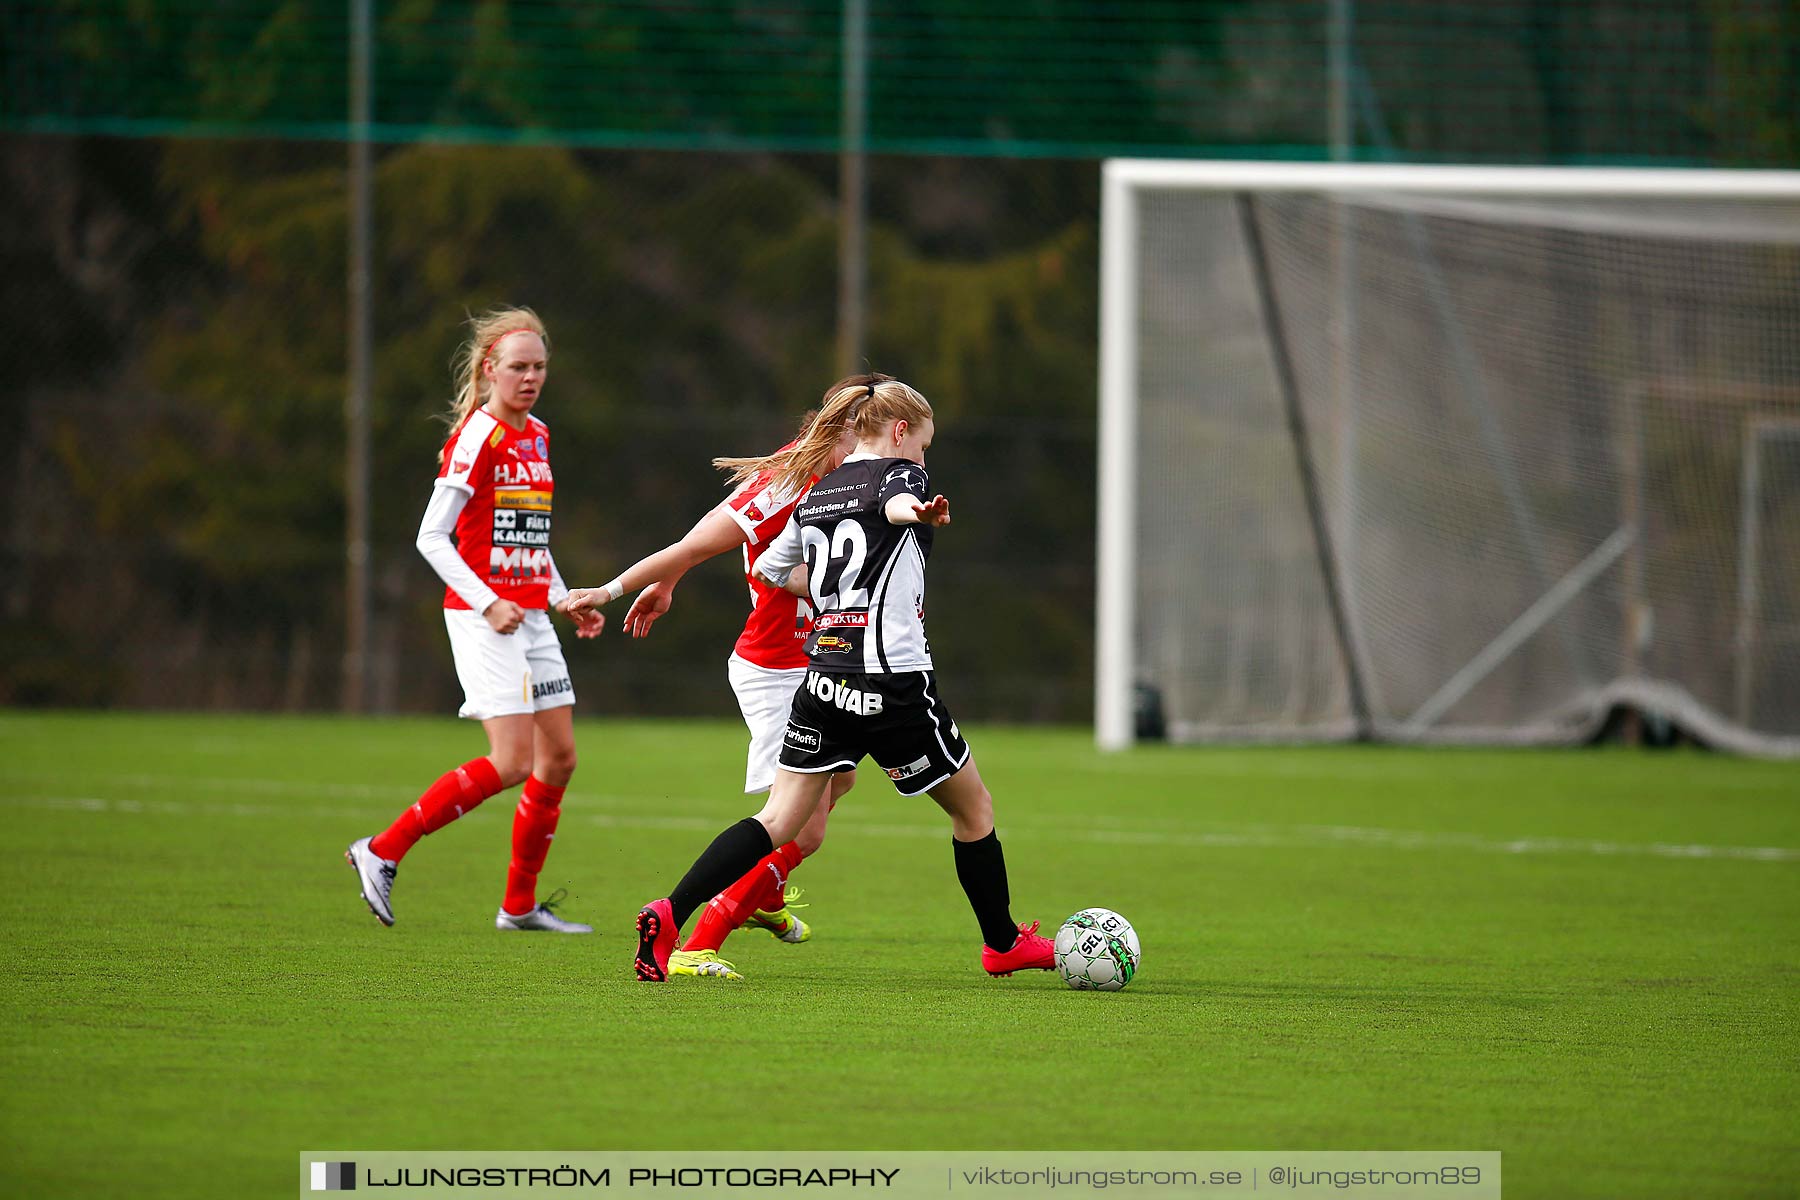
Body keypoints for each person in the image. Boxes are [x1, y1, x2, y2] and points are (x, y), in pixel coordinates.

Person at [622, 375, 1056, 983]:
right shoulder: (904, 478)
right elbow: (894, 503)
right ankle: (1003, 943)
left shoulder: (818, 491)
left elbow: (774, 570)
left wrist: (831, 587)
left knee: (779, 821)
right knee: (973, 809)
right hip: (894, 684)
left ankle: (670, 913)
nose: (923, 459)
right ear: (900, 431)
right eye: (923, 445)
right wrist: (916, 508)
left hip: (823, 681)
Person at [563, 379, 877, 980]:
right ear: (843, 434)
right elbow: (706, 541)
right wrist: (611, 589)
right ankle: (691, 939)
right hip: (779, 668)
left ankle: (760, 892)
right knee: (801, 828)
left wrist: (671, 582)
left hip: (823, 661)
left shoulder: (854, 477)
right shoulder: (791, 481)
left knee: (834, 789)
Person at [345, 307, 604, 933]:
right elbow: (431, 538)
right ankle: (381, 850)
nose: (530, 377)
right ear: (490, 368)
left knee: (560, 757)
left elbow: (531, 538)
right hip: (483, 616)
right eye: (518, 366)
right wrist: (488, 601)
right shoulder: (476, 436)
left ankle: (518, 906)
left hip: (533, 613)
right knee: (513, 759)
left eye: (539, 366)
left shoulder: (537, 435)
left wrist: (566, 599)